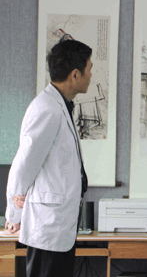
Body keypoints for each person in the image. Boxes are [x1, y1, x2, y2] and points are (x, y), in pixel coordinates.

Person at [5, 40, 92, 277]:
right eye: (89, 68)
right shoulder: (47, 108)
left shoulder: (60, 105)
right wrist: (13, 213)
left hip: (58, 226)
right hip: (48, 228)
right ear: (75, 74)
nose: (90, 75)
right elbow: (23, 165)